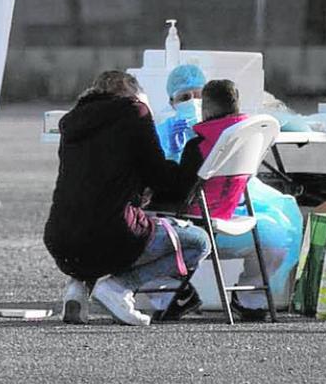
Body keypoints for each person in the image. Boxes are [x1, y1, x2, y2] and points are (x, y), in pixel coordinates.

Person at [44, 70, 209, 326]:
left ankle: (77, 289)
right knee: (197, 242)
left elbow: (96, 179)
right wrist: (191, 154)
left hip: (61, 241)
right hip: (113, 235)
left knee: (96, 219)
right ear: (133, 93)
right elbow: (163, 180)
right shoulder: (135, 113)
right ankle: (119, 287)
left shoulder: (72, 123)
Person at [157, 73, 303, 321]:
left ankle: (172, 296)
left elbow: (181, 189)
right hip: (237, 222)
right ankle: (252, 301)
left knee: (138, 229)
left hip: (198, 227)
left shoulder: (199, 144)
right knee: (277, 237)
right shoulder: (252, 137)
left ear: (205, 107)